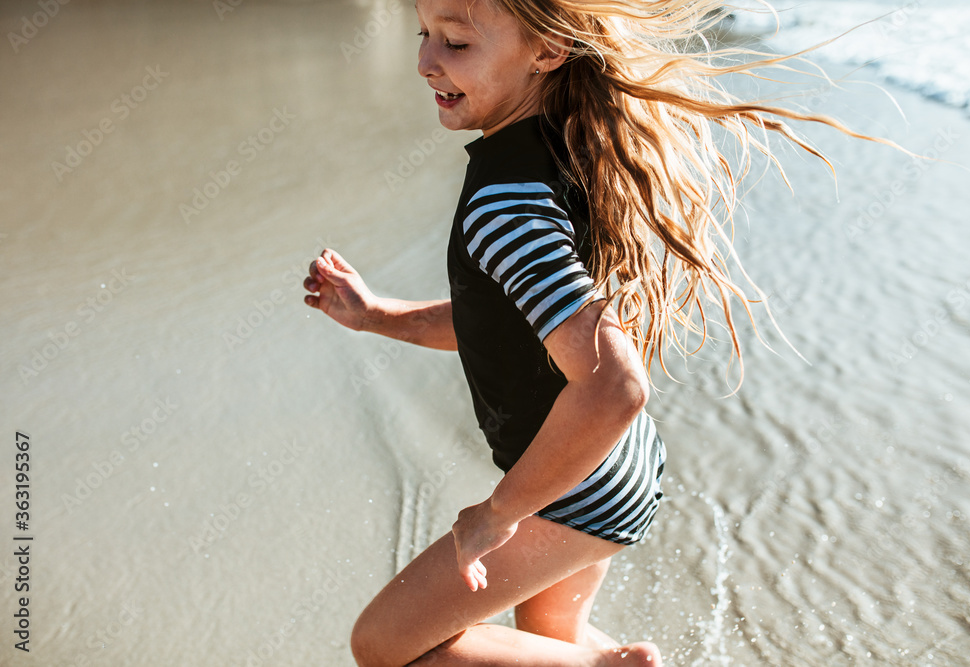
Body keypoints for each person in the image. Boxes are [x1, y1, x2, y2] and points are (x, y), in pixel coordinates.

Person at [304, 0, 897, 664]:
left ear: (548, 50)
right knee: (542, 646)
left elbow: (615, 385)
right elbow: (504, 325)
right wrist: (376, 315)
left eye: (457, 43)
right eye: (423, 34)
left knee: (386, 643)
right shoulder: (559, 142)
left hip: (579, 484)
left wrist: (497, 514)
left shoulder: (506, 199)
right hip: (612, 465)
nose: (424, 61)